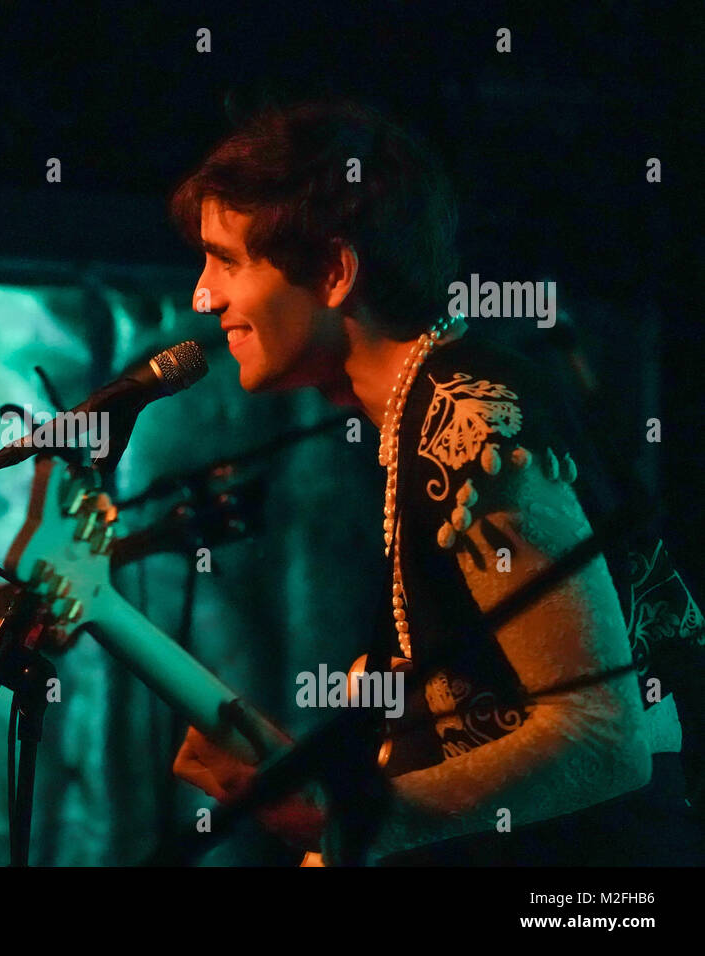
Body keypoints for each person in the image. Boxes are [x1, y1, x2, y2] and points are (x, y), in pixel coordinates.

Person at [168, 100, 702, 865]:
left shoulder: (466, 421)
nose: (202, 295)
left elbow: (600, 736)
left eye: (225, 259)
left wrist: (352, 816)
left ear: (332, 270)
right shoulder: (414, 419)